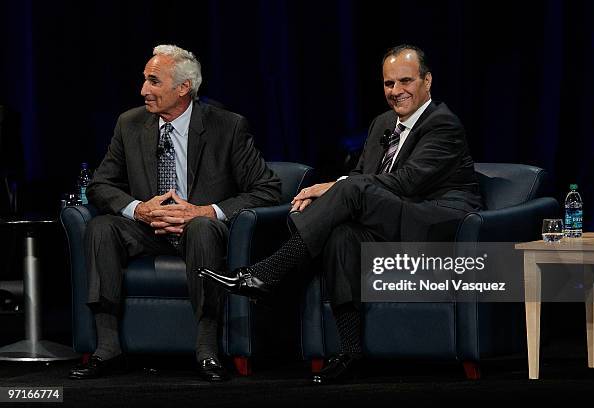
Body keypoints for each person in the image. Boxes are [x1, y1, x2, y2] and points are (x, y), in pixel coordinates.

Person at [199, 44, 483, 384]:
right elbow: (365, 180)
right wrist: (333, 202)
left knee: (347, 187)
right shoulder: (382, 124)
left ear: (427, 81)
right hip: (392, 221)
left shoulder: (443, 124)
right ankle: (350, 351)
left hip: (440, 224)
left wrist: (332, 188)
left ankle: (269, 273)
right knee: (339, 234)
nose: (396, 91)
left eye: (405, 81)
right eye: (388, 84)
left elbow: (405, 183)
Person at [69, 45, 281, 382]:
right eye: (144, 80)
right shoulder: (130, 124)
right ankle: (107, 348)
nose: (143, 91)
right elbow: (100, 184)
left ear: (184, 88)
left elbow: (268, 188)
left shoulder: (227, 127)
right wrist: (138, 209)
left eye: (154, 81)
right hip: (148, 229)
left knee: (200, 228)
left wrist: (206, 211)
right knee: (101, 228)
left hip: (200, 232)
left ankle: (207, 348)